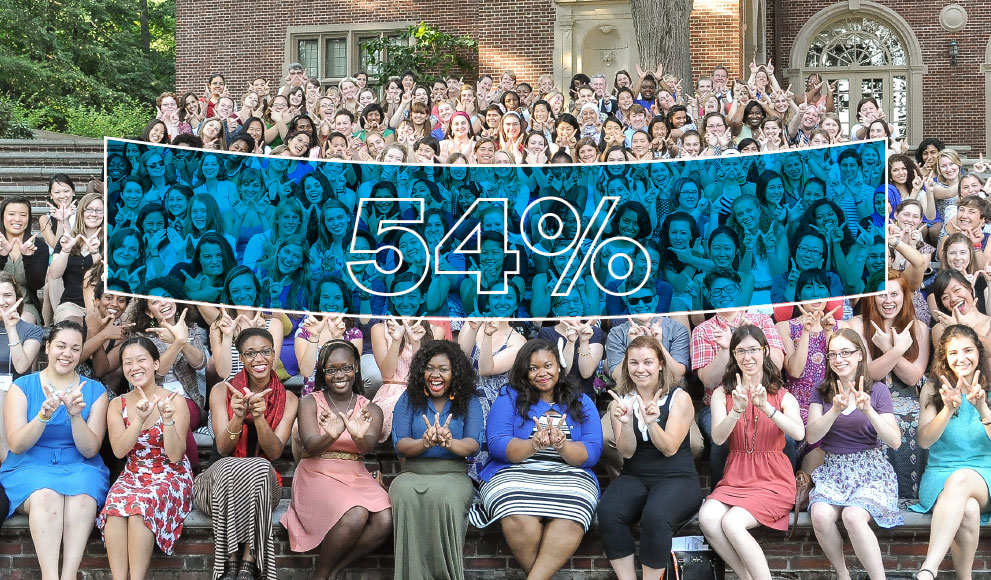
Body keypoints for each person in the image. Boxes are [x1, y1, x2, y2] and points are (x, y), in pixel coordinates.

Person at [469, 339, 602, 580]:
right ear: (524, 372)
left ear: (559, 367)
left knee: (574, 511)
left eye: (548, 365)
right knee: (515, 511)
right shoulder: (509, 397)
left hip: (569, 473)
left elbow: (592, 451)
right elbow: (498, 444)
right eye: (533, 368)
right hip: (514, 470)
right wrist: (534, 444)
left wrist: (562, 445)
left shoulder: (580, 401)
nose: (542, 373)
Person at [0, 321, 110, 580]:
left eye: (75, 348)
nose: (67, 354)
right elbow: (16, 444)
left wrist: (75, 416)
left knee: (83, 498)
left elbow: (90, 449)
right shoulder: (22, 387)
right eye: (61, 346)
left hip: (80, 464)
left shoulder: (95, 390)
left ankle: (69, 576)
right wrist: (42, 416)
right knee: (46, 497)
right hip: (29, 464)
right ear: (48, 347)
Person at [698, 325, 805, 580]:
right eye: (741, 351)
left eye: (754, 350)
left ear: (765, 351)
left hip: (773, 480)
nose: (748, 357)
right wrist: (736, 410)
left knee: (732, 523)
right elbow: (718, 437)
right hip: (736, 476)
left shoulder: (782, 395)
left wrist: (766, 407)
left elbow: (799, 434)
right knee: (708, 517)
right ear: (733, 355)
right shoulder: (722, 395)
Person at [193, 328, 299, 580]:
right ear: (241, 358)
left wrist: (260, 418)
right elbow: (222, 448)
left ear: (274, 355)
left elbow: (273, 452)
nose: (259, 358)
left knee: (260, 467)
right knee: (232, 464)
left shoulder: (290, 399)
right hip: (216, 487)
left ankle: (247, 561)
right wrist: (238, 417)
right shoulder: (222, 390)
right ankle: (232, 562)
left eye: (265, 351)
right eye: (250, 353)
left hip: (260, 491)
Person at [280, 340, 391, 580]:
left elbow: (367, 446)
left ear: (356, 368)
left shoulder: (371, 409)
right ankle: (321, 575)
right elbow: (310, 444)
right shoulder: (310, 402)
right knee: (356, 513)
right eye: (331, 370)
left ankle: (334, 570)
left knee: (385, 519)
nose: (339, 375)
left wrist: (357, 435)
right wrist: (331, 434)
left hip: (355, 472)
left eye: (345, 367)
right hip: (317, 471)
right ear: (323, 372)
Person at [598, 336, 703, 580]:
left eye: (647, 362)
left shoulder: (679, 398)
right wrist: (625, 424)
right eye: (633, 363)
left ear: (660, 365)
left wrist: (651, 423)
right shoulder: (620, 402)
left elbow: (669, 448)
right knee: (609, 510)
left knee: (655, 516)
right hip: (636, 474)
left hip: (677, 477)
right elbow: (626, 452)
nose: (640, 369)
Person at [805, 329, 903, 580]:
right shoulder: (821, 390)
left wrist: (868, 410)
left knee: (853, 515)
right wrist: (835, 410)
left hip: (870, 470)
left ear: (860, 355)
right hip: (834, 469)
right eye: (833, 354)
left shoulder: (878, 390)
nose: (839, 359)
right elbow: (812, 437)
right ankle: (843, 575)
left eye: (846, 352)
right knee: (820, 514)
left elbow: (894, 441)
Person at [99, 335, 194, 580]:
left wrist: (168, 419)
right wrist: (139, 419)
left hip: (170, 474)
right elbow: (119, 451)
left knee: (140, 508)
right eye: (128, 362)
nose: (134, 367)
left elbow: (175, 456)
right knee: (114, 510)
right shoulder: (116, 404)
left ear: (155, 363)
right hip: (133, 472)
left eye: (141, 360)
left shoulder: (176, 401)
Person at [391, 340, 483, 580]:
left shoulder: (468, 400)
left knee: (444, 497)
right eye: (430, 368)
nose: (435, 375)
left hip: (453, 474)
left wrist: (449, 442)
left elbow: (473, 444)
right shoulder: (408, 399)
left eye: (443, 369)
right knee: (402, 492)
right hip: (412, 473)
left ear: (455, 372)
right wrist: (425, 442)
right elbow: (400, 444)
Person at [911, 325, 991, 580]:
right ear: (945, 357)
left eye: (967, 350)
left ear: (978, 352)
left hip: (984, 474)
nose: (961, 358)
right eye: (953, 352)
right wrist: (947, 409)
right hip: (939, 475)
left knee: (961, 480)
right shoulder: (933, 389)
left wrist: (982, 410)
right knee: (967, 509)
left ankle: (928, 569)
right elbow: (924, 441)